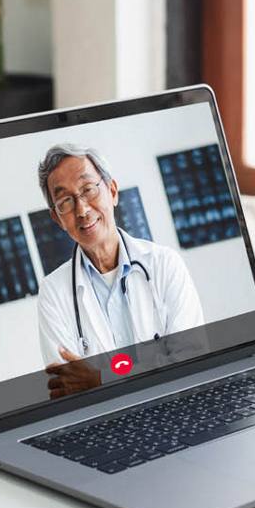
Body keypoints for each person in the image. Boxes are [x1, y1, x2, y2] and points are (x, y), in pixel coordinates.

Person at [35, 144, 205, 379]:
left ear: (112, 191)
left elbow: (191, 361)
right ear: (57, 219)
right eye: (65, 201)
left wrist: (101, 380)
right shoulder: (53, 293)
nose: (82, 209)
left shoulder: (164, 263)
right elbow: (68, 389)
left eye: (88, 189)